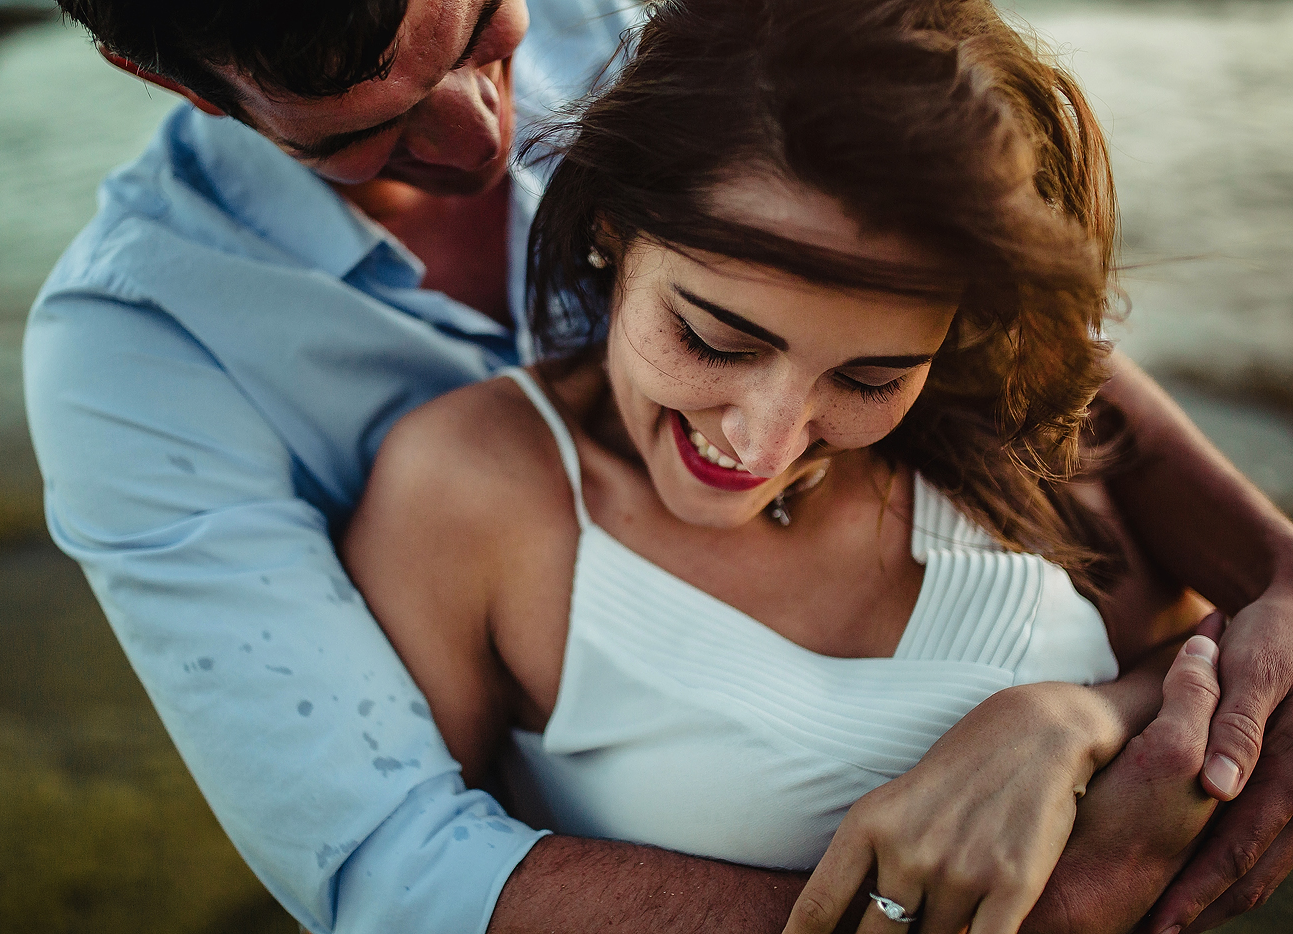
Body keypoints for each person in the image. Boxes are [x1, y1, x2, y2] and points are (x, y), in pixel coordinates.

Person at [24, 0, 1293, 931]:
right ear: (167, 76)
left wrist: (1132, 682)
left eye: (479, 34)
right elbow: (389, 860)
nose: (481, 136)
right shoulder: (139, 347)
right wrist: (1028, 909)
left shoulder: (673, 36)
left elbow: (965, 279)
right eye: (364, 130)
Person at [340, 1, 1226, 931]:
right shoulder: (467, 489)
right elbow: (408, 881)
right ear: (610, 225)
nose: (767, 445)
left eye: (870, 375)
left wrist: (1064, 726)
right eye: (713, 338)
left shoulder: (1004, 423)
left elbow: (1199, 653)